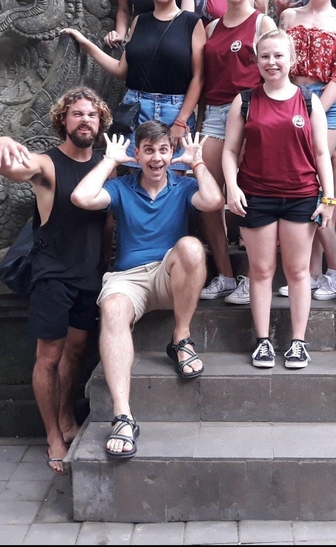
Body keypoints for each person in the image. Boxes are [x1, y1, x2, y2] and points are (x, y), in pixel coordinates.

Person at [71, 122, 224, 459]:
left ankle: (181, 338)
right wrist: (110, 161)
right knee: (111, 309)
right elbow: (81, 197)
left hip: (170, 275)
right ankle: (123, 416)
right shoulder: (122, 188)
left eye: (163, 150)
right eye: (149, 150)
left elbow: (213, 201)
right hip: (128, 278)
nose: (156, 158)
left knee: (192, 247)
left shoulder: (183, 187)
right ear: (136, 154)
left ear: (172, 154)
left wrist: (197, 162)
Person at [0, 87, 112, 475]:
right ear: (63, 121)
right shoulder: (46, 163)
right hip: (52, 276)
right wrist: (1, 140)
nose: (84, 121)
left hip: (89, 276)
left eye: (91, 115)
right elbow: (8, 168)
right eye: (77, 114)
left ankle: (66, 419)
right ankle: (53, 438)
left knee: (75, 354)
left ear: (101, 122)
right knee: (50, 357)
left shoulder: (108, 165)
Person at [223, 30, 335, 370]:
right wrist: (232, 187)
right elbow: (229, 151)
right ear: (256, 61)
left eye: (278, 56)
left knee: (298, 271)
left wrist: (327, 198)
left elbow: (320, 153)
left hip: (301, 195)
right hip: (256, 194)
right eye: (265, 56)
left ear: (291, 60)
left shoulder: (309, 100)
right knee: (260, 270)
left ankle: (298, 342)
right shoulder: (244, 101)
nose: (272, 62)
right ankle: (263, 342)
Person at [63, 0, 205, 158]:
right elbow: (123, 71)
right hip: (136, 109)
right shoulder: (139, 21)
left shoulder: (192, 22)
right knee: (133, 174)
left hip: (175, 111)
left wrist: (181, 122)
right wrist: (86, 46)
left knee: (173, 180)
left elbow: (199, 77)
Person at [277, 0, 336, 302]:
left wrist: (314, 113)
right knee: (301, 184)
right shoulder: (290, 16)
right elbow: (279, 61)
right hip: (291, 96)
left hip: (327, 102)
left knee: (311, 184)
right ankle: (309, 272)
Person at [197, 0, 275, 304]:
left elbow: (275, 72)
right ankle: (225, 274)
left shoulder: (262, 24)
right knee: (210, 195)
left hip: (250, 110)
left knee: (251, 193)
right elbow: (203, 78)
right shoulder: (211, 27)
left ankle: (252, 276)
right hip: (214, 113)